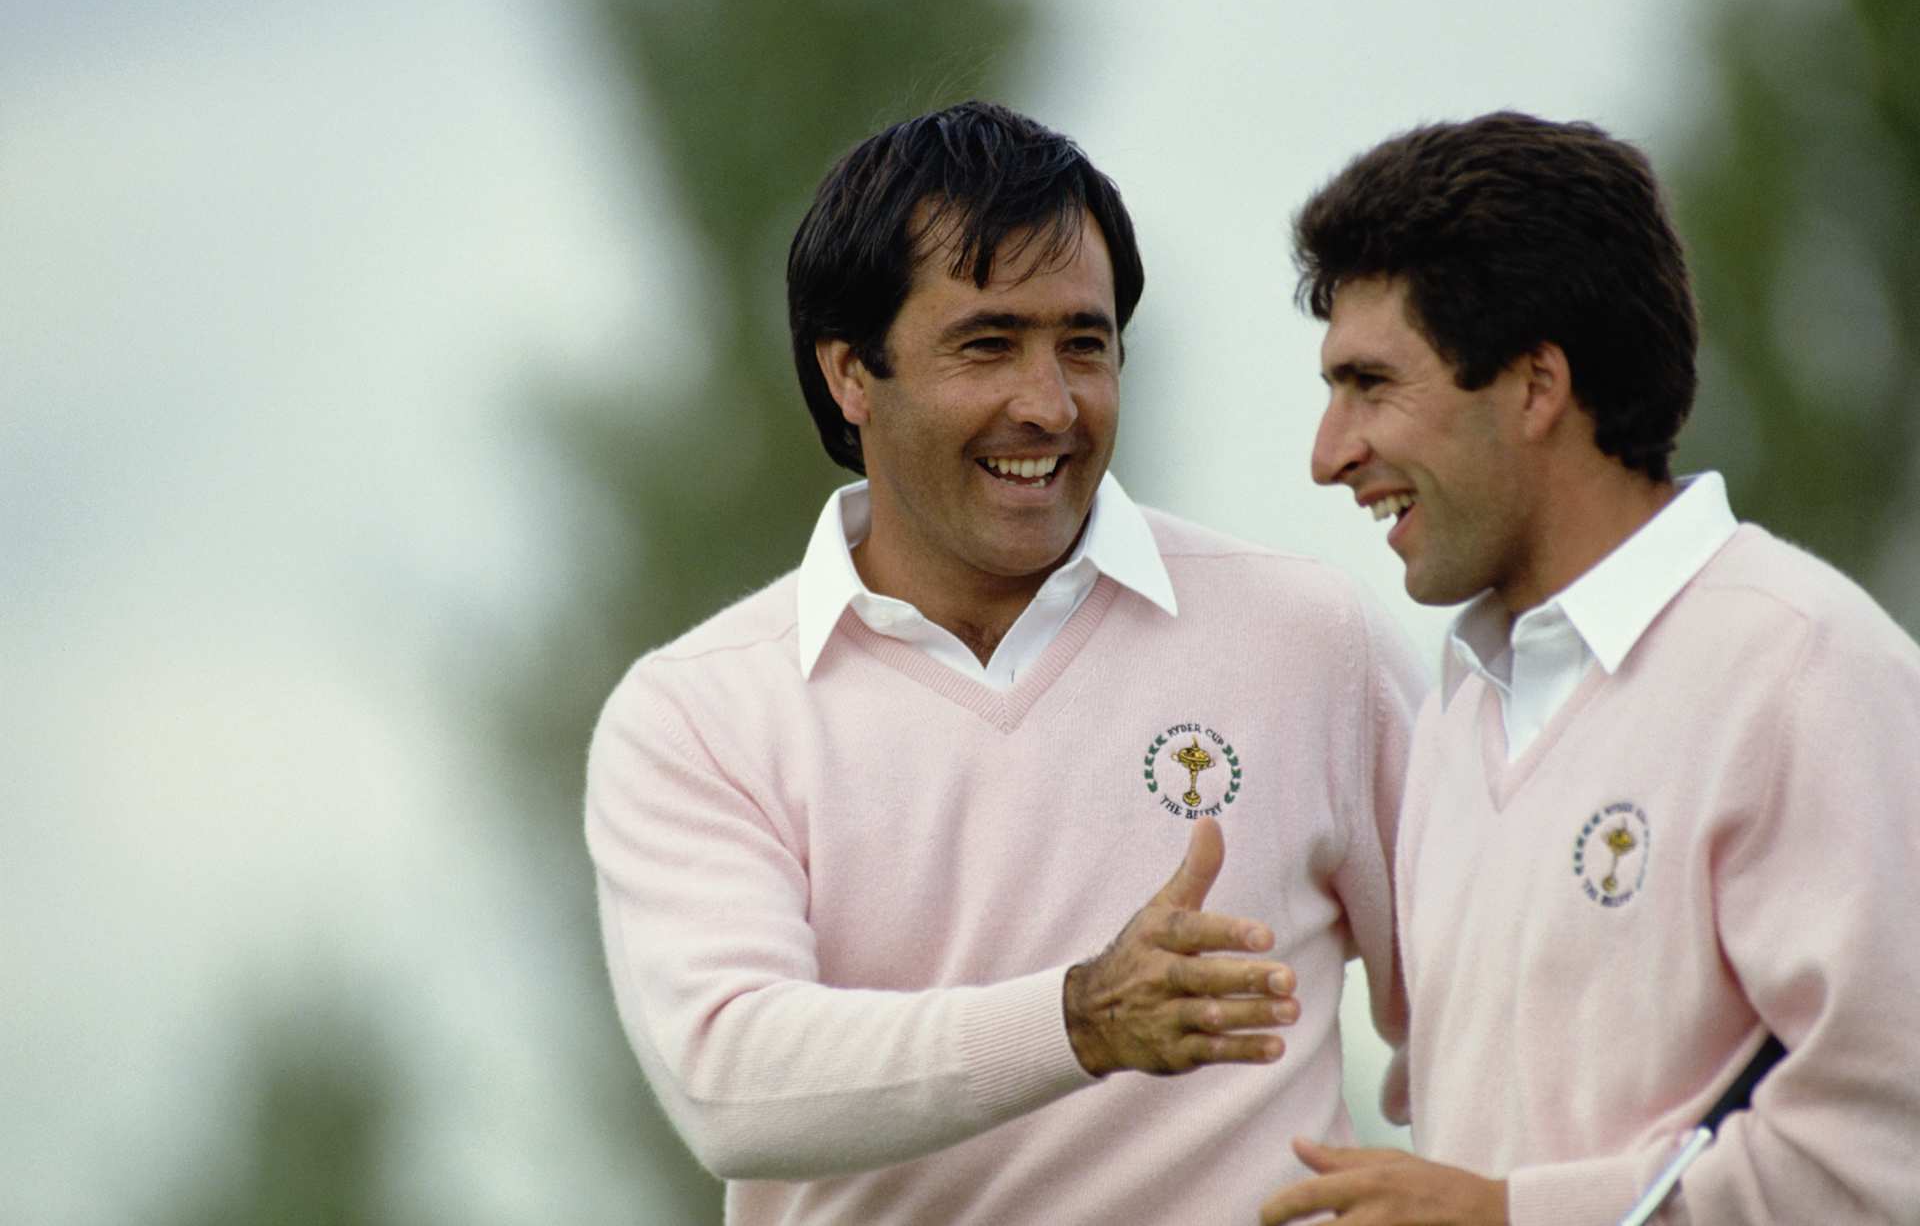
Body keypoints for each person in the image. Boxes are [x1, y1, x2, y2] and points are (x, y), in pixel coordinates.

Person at [584, 100, 1426, 1224]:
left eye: (1084, 343)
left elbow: (1486, 1003)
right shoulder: (702, 711)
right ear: (849, 374)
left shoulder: (1310, 637)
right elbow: (731, 1078)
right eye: (988, 344)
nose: (1049, 405)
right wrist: (1080, 1021)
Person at [1261, 111, 1920, 1226]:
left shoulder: (1806, 669)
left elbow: (1885, 1151)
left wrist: (1512, 1213)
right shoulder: (1463, 712)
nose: (1328, 453)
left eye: (1371, 384)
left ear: (1534, 386)